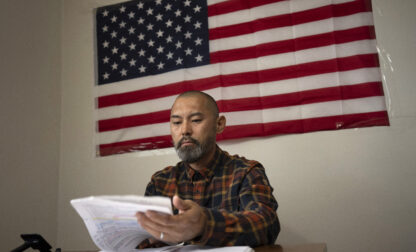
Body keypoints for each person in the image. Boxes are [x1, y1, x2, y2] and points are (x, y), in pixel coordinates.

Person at [136, 90, 280, 248]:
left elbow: (267, 224)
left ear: (219, 124)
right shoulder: (160, 182)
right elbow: (142, 238)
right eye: (177, 123)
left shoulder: (246, 172)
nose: (184, 130)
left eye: (196, 120)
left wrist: (204, 224)